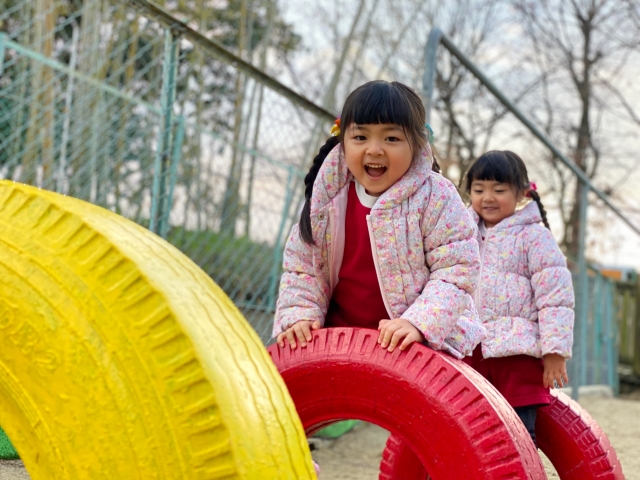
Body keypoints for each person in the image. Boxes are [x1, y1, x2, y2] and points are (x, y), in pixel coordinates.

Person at [273, 80, 485, 360]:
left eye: (392, 138)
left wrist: (419, 323)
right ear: (343, 141)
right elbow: (304, 268)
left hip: (413, 344)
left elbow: (456, 270)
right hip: (339, 339)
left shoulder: (436, 198)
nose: (374, 149)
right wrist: (301, 316)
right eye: (361, 137)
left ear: (417, 143)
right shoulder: (328, 198)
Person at [464, 150, 574, 445]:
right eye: (479, 189)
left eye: (498, 190)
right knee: (464, 430)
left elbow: (555, 296)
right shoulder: (461, 232)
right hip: (469, 353)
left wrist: (554, 351)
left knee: (518, 436)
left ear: (521, 193)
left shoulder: (534, 237)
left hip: (517, 357)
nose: (487, 197)